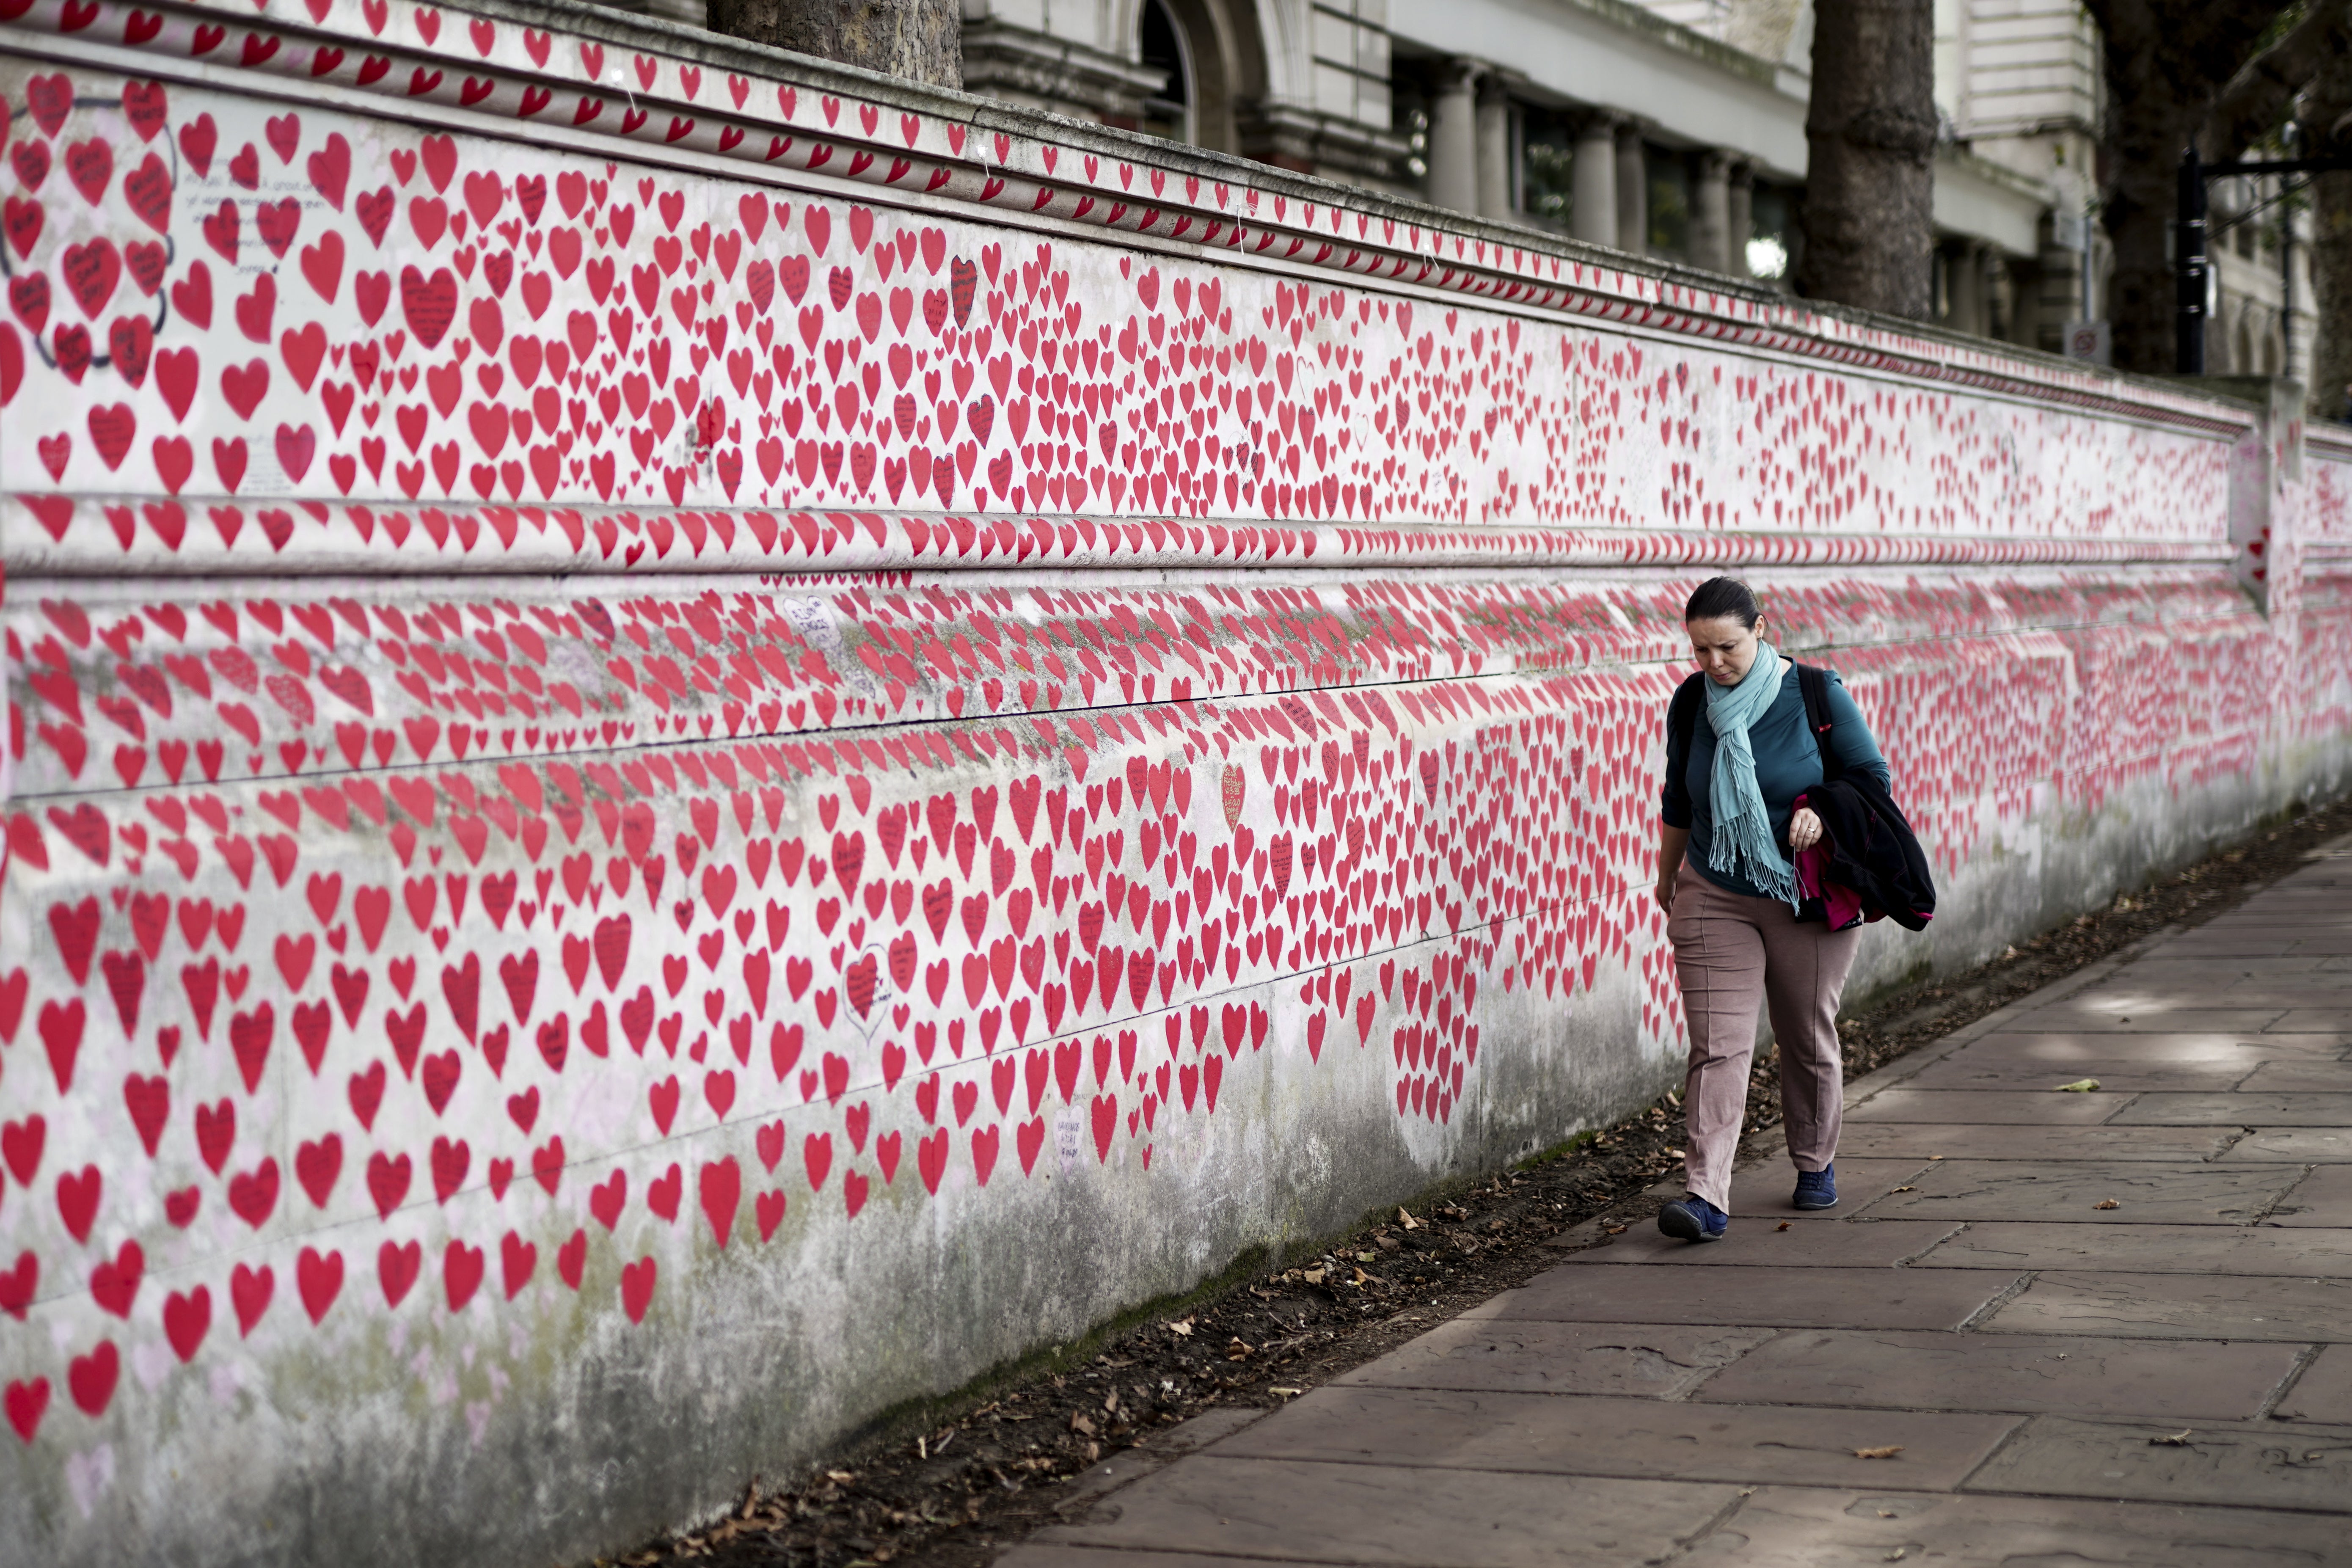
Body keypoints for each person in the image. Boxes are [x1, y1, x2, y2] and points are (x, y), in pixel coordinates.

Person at [1652, 578, 1891, 1242]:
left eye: (1725, 646)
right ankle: (1705, 1194)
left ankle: (1814, 1160)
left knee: (1804, 1036)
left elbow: (1871, 779)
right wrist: (1667, 871)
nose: (1711, 664)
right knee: (1717, 1046)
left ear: (1760, 629)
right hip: (1713, 890)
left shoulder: (1816, 693)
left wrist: (1819, 809)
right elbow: (1679, 794)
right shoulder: (1690, 701)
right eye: (1699, 650)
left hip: (1802, 895)